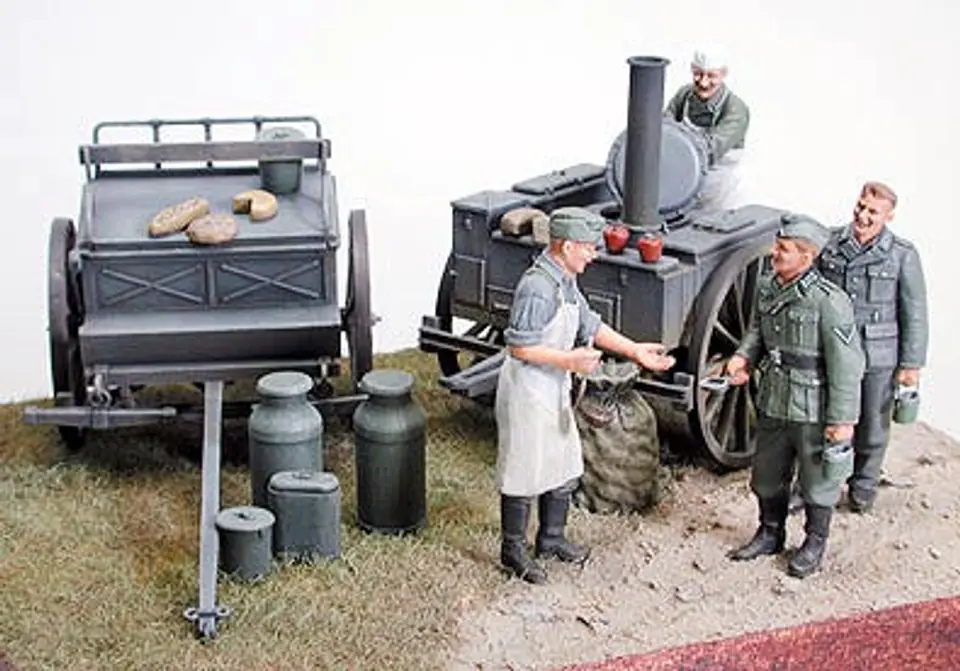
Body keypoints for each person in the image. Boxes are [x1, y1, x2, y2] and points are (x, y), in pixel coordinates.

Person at [495, 206, 676, 584]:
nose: (593, 255)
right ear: (565, 246)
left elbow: (588, 323)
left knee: (561, 462)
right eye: (588, 248)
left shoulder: (564, 280)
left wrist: (633, 350)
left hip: (554, 384)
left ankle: (552, 538)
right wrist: (569, 359)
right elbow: (519, 347)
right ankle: (513, 549)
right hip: (529, 389)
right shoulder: (537, 288)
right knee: (525, 469)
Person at [724, 213, 865, 578]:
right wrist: (742, 357)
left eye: (784, 249)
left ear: (807, 255)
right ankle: (770, 532)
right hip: (773, 399)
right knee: (766, 476)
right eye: (778, 245)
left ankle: (814, 542)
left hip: (814, 407)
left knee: (818, 482)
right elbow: (758, 331)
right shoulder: (769, 287)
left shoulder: (829, 302)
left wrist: (842, 420)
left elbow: (847, 366)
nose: (775, 253)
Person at [816, 181, 929, 513]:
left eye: (873, 211)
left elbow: (915, 313)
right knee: (825, 418)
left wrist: (911, 365)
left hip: (877, 354)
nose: (863, 216)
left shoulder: (902, 256)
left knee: (872, 423)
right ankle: (817, 482)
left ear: (889, 216)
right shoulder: (831, 243)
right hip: (833, 350)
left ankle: (863, 482)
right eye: (861, 207)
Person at [664, 47, 750, 214]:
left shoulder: (736, 109)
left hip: (720, 184)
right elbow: (665, 128)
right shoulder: (684, 95)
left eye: (711, 76)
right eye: (698, 74)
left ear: (723, 74)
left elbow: (709, 150)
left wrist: (676, 149)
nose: (703, 82)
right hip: (683, 177)